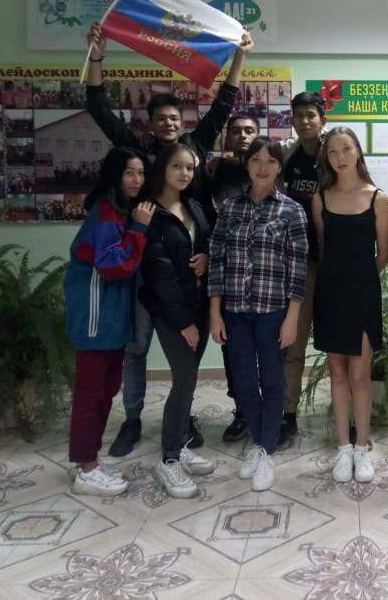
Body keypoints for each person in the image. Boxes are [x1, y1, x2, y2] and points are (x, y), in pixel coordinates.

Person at [85, 23, 253, 458]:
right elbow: (99, 108)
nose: (168, 124)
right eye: (161, 119)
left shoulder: (195, 146)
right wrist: (97, 56)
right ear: (152, 123)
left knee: (187, 352)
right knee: (136, 348)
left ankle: (182, 418)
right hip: (144, 266)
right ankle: (133, 420)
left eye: (174, 118)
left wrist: (239, 56)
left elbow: (224, 102)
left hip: (191, 269)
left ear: (183, 123)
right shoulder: (137, 151)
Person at [209, 138, 308, 491]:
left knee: (272, 380)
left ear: (279, 167)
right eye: (256, 160)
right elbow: (217, 263)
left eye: (270, 161)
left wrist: (292, 318)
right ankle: (259, 438)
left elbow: (297, 269)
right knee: (244, 383)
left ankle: (265, 450)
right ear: (247, 164)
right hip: (235, 311)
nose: (262, 167)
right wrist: (215, 313)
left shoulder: (291, 211)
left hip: (273, 311)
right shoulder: (229, 208)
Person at [63, 147, 154, 496]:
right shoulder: (105, 211)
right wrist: (140, 229)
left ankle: (89, 459)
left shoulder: (121, 210)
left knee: (107, 386)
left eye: (141, 173)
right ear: (115, 175)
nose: (136, 180)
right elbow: (113, 264)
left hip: (111, 314)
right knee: (92, 391)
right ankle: (86, 467)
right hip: (95, 314)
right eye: (129, 173)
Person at [137, 143, 217, 498]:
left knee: (189, 379)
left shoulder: (193, 206)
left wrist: (206, 257)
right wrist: (184, 321)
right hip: (172, 313)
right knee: (183, 379)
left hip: (198, 304)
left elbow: (208, 243)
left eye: (189, 168)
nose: (184, 173)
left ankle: (181, 444)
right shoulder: (149, 213)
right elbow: (159, 273)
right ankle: (168, 460)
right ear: (162, 169)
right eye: (177, 167)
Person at [312, 127, 388, 484]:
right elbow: (324, 248)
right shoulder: (321, 198)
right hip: (330, 292)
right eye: (332, 151)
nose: (340, 157)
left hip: (362, 293)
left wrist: (359, 277)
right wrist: (339, 278)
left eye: (346, 149)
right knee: (338, 373)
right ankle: (343, 448)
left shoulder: (377, 198)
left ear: (358, 151)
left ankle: (362, 447)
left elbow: (384, 253)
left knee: (360, 374)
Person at [201, 112, 262, 443]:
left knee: (269, 348)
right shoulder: (216, 173)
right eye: (236, 131)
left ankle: (272, 409)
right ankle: (242, 411)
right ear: (227, 137)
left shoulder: (269, 169)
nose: (243, 135)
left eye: (249, 130)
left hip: (267, 275)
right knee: (234, 349)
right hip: (229, 272)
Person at [279, 92, 327, 445]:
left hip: (335, 263)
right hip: (300, 264)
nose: (305, 121)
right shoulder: (287, 156)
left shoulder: (337, 153)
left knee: (340, 345)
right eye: (299, 116)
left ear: (322, 119)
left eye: (311, 115)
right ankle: (288, 413)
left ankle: (347, 413)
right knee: (293, 345)